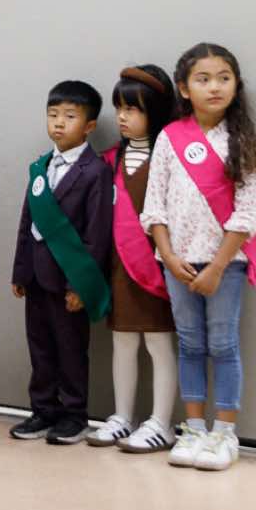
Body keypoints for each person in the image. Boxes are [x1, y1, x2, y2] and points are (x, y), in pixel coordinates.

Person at [144, 43, 256, 473]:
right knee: (190, 344)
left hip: (225, 265)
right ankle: (193, 428)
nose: (214, 87)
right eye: (203, 79)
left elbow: (247, 214)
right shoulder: (169, 137)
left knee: (223, 345)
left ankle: (224, 432)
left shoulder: (241, 140)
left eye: (223, 78)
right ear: (184, 88)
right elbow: (154, 205)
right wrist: (167, 255)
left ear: (236, 85)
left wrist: (216, 267)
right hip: (176, 263)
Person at [9, 80, 113, 445]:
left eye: (69, 116)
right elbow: (27, 222)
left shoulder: (95, 171)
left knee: (70, 350)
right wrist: (20, 271)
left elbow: (97, 234)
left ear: (89, 126)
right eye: (53, 114)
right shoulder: (40, 167)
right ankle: (43, 410)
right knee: (40, 347)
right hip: (37, 277)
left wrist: (80, 286)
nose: (58, 122)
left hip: (69, 280)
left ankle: (73, 415)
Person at [94, 64, 179, 453]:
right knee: (123, 342)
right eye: (119, 108)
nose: (122, 117)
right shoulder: (109, 159)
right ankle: (121, 417)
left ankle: (162, 422)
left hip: (157, 267)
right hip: (119, 269)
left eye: (132, 109)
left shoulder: (168, 155)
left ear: (155, 111)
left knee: (159, 344)